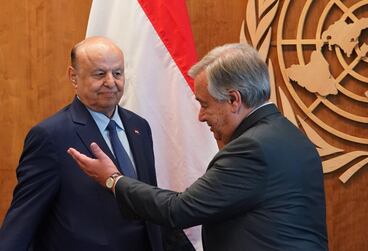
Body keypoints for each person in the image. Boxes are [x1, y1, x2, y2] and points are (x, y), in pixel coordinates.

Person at [68, 43, 329, 251]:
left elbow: (179, 210)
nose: (200, 116)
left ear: (233, 99)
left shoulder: (251, 148)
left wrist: (114, 180)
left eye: (204, 104)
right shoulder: (290, 136)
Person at [0, 36, 193, 251]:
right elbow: (24, 217)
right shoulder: (50, 136)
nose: (111, 82)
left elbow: (148, 201)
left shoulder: (139, 127)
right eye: (100, 74)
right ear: (73, 77)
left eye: (117, 73)